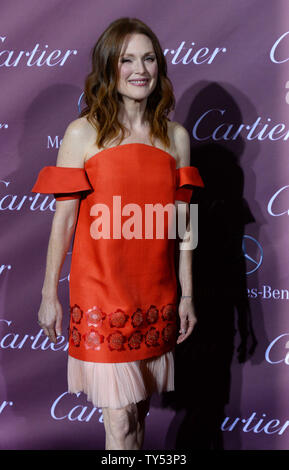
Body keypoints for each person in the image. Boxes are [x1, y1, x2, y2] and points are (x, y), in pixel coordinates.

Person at [31, 17, 204, 450]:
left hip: (156, 296)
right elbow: (63, 221)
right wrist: (49, 293)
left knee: (139, 413)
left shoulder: (176, 138)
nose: (139, 69)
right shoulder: (82, 133)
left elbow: (185, 225)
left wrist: (186, 295)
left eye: (148, 58)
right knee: (121, 422)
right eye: (127, 59)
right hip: (102, 296)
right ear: (109, 68)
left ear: (159, 67)